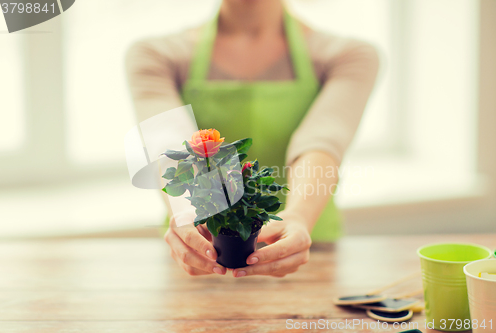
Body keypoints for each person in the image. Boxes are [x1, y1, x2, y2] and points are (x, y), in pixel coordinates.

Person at [126, 0, 379, 278]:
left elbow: (321, 141)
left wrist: (299, 217)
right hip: (198, 254)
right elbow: (170, 144)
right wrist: (188, 217)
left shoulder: (349, 55)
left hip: (309, 250)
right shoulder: (156, 55)